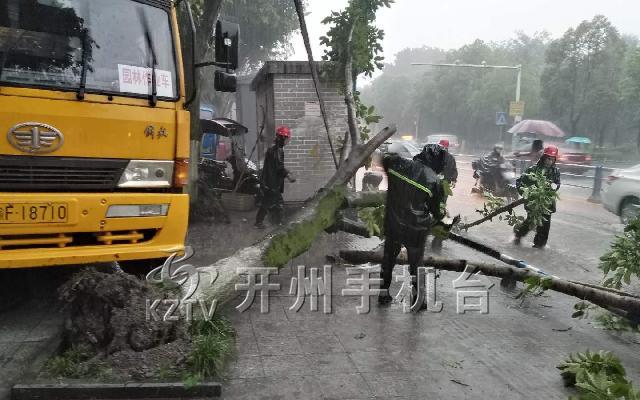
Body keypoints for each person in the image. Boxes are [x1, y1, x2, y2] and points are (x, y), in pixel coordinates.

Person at [378, 144, 447, 305]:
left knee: (388, 259)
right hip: (416, 229)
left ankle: (383, 294)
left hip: (394, 223)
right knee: (416, 264)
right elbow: (438, 212)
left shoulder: (398, 164)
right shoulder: (434, 181)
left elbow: (385, 158)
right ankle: (418, 300)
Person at [512, 145, 561, 248]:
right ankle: (518, 235)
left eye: (552, 159)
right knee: (531, 221)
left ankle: (540, 244)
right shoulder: (533, 170)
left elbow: (557, 184)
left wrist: (554, 187)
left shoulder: (555, 172)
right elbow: (520, 183)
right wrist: (526, 193)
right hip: (533, 201)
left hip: (547, 203)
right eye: (548, 158)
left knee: (545, 224)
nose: (550, 161)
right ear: (543, 158)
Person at [255, 126, 296, 228]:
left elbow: (275, 165)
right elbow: (279, 168)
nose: (288, 141)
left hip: (269, 181)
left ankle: (265, 222)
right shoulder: (278, 150)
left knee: (269, 203)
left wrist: (286, 170)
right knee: (275, 203)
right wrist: (288, 176)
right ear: (283, 138)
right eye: (287, 138)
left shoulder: (273, 149)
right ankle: (279, 224)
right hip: (272, 183)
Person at [431, 139, 458, 252]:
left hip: (435, 186)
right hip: (443, 186)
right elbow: (454, 173)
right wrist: (453, 180)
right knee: (441, 206)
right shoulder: (450, 158)